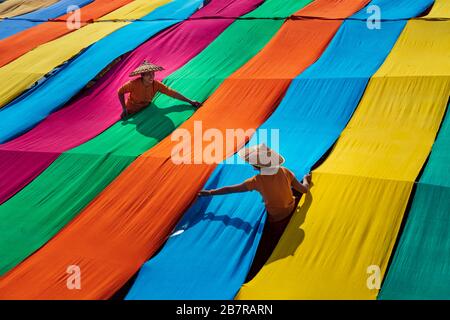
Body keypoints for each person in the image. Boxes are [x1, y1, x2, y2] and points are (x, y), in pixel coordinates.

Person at [198, 143, 312, 281]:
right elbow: (304, 190)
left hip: (276, 220)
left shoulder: (257, 180)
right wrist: (306, 180)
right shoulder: (285, 171)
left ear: (257, 166)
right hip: (292, 210)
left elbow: (232, 189)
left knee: (266, 243)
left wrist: (210, 192)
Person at [118, 60, 202, 119]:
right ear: (142, 76)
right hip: (131, 109)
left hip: (147, 108)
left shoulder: (156, 84)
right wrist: (124, 108)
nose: (151, 76)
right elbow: (120, 92)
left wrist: (190, 101)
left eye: (153, 73)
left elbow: (172, 93)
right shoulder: (133, 84)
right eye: (148, 74)